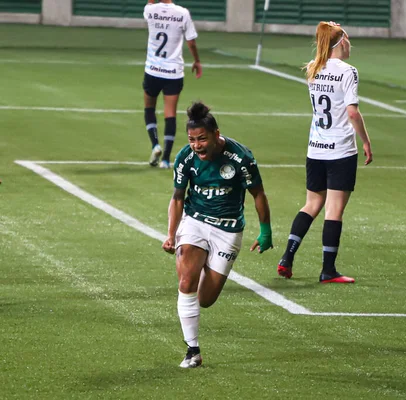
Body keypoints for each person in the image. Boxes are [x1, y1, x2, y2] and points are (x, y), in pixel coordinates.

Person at [162, 101, 273, 368]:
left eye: (202, 139)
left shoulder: (241, 158)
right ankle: (193, 350)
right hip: (195, 222)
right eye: (191, 139)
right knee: (186, 282)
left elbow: (258, 193)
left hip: (228, 229)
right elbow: (177, 198)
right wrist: (172, 234)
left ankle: (196, 266)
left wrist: (265, 230)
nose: (196, 145)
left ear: (215, 134)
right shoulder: (186, 158)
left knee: (205, 299)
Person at [276, 21, 373, 284]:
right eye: (348, 39)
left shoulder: (312, 68)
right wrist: (365, 141)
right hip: (340, 149)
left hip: (316, 148)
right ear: (340, 43)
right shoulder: (348, 71)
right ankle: (328, 270)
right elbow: (352, 112)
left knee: (311, 204)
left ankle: (287, 257)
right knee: (334, 210)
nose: (350, 43)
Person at [143, 0, 202, 169]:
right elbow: (191, 41)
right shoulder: (183, 13)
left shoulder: (150, 10)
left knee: (149, 108)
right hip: (173, 72)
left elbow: (149, 4)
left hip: (153, 70)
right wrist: (197, 61)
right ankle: (166, 160)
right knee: (171, 113)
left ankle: (155, 145)